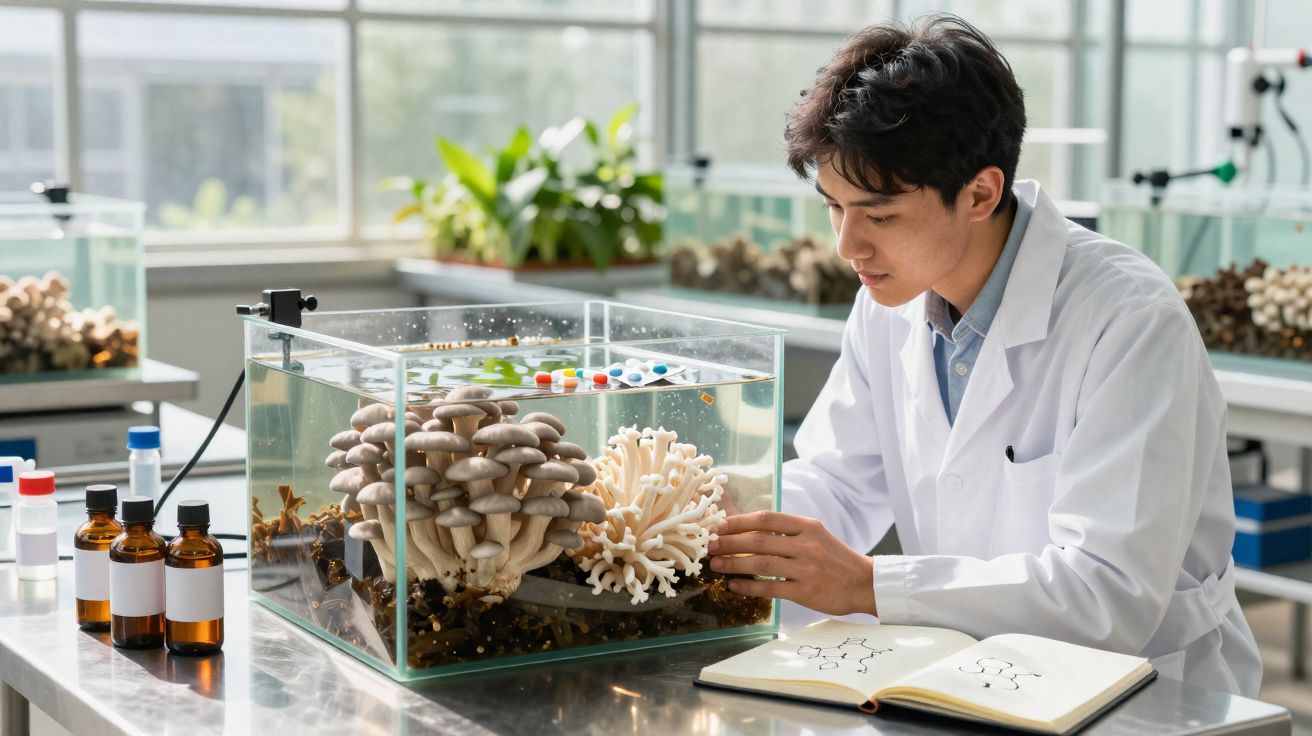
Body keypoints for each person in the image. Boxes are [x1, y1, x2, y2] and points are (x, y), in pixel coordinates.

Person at [705, 15, 1262, 696]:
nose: (848, 246)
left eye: (878, 215)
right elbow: (841, 482)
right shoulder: (891, 299)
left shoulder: (1129, 320)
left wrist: (870, 584)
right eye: (833, 208)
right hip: (970, 681)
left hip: (1146, 696)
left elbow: (1107, 596)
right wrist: (733, 523)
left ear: (980, 193)